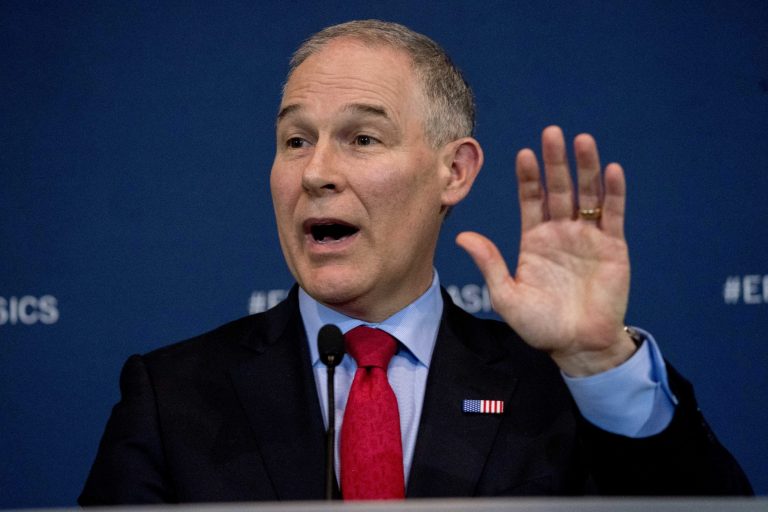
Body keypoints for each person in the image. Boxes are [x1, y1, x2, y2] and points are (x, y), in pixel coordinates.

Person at [79, 20, 752, 504]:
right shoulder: (171, 395)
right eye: (294, 140)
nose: (316, 171)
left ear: (453, 172)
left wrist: (596, 363)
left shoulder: (555, 386)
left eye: (362, 138)